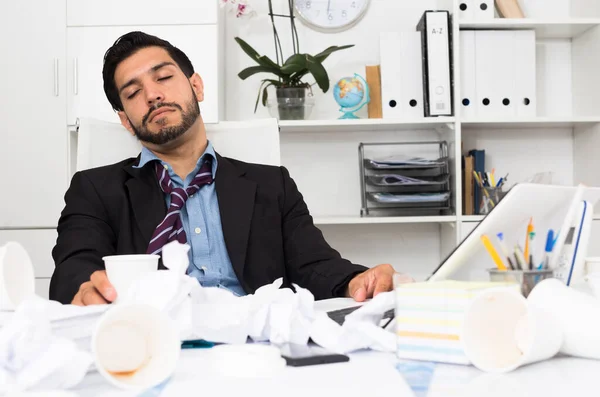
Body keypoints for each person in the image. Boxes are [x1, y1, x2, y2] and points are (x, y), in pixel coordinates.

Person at [49, 31, 411, 306]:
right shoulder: (95, 188)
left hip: (256, 345)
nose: (153, 95)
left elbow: (314, 263)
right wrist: (84, 288)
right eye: (133, 93)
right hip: (155, 340)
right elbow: (74, 266)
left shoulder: (272, 184)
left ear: (196, 86)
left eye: (163, 77)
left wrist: (357, 280)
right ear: (126, 121)